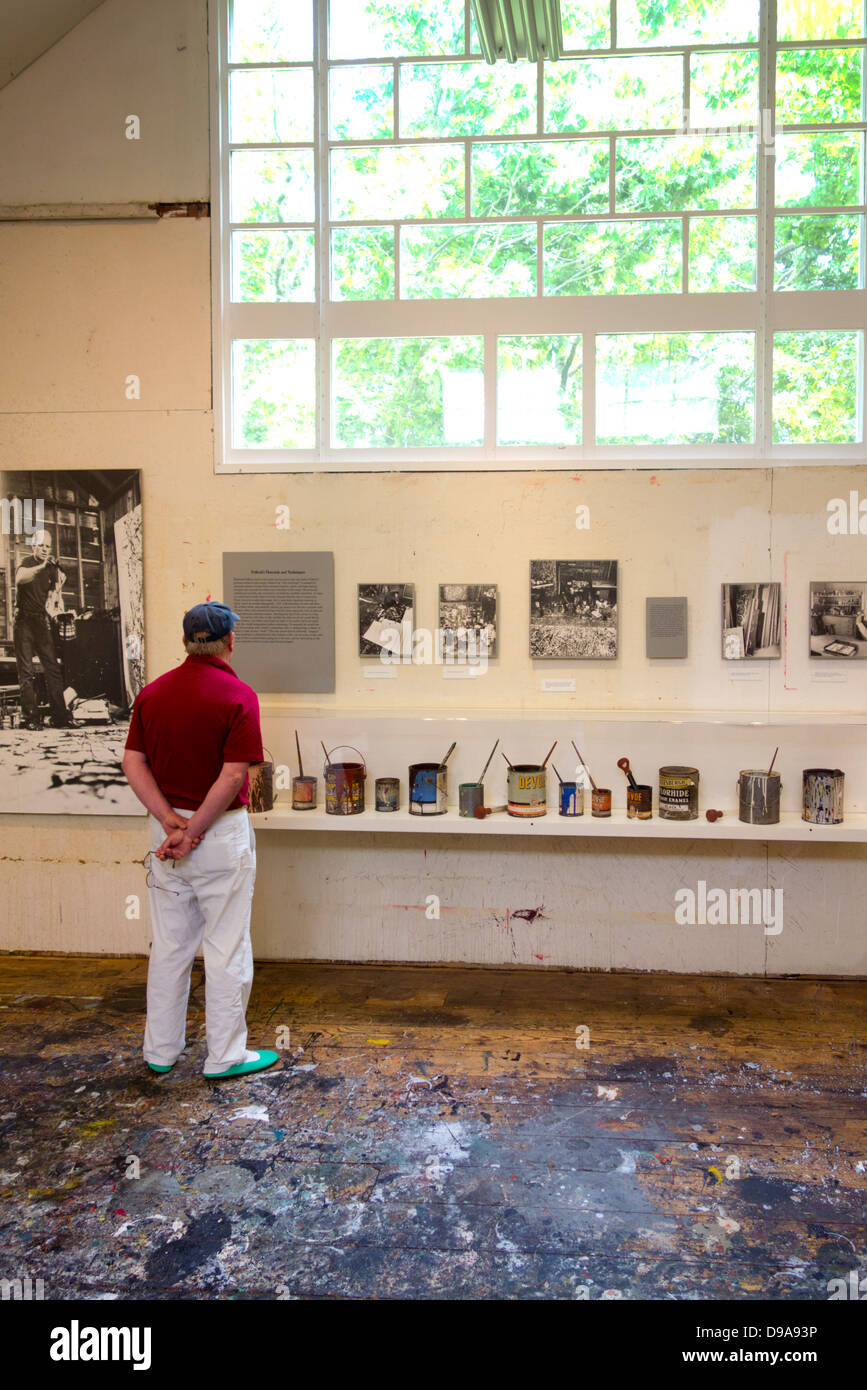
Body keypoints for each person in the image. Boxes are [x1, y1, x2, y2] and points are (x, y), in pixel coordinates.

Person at [121, 601, 278, 1080]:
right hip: (217, 834)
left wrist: (172, 823)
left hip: (165, 834)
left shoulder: (153, 693)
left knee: (170, 944)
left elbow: (133, 762)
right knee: (226, 944)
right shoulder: (238, 695)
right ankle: (225, 1056)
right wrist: (194, 831)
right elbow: (234, 776)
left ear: (186, 641)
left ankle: (161, 1051)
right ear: (231, 642)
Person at [13, 530, 73, 730]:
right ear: (34, 546)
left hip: (40, 621)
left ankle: (60, 717)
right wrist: (42, 567)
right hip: (23, 621)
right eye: (41, 546)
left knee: (53, 669)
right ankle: (30, 718)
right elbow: (20, 579)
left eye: (48, 546)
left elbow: (52, 600)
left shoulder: (50, 568)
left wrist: (59, 608)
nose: (45, 549)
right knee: (27, 671)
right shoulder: (27, 563)